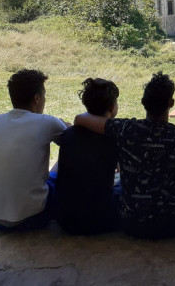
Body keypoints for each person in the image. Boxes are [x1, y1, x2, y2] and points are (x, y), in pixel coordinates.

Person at [74, 72, 175, 239]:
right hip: (171, 225)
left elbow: (81, 119)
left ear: (143, 102)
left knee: (118, 187)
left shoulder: (125, 128)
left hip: (131, 223)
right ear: (171, 103)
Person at [0, 69, 68, 231]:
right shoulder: (48, 122)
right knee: (62, 177)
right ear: (37, 98)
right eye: (44, 95)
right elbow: (72, 144)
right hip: (30, 219)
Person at [55, 78, 120, 235]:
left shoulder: (68, 134)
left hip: (66, 222)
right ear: (112, 107)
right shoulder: (115, 136)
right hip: (102, 222)